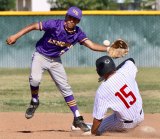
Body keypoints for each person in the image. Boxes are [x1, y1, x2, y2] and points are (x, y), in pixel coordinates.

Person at [6, 6, 111, 132]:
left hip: (55, 60)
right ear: (66, 16)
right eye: (70, 17)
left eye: (75, 19)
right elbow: (34, 26)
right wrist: (16, 36)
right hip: (40, 55)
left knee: (65, 88)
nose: (71, 20)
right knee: (35, 79)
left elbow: (92, 45)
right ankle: (34, 101)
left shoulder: (78, 33)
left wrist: (109, 49)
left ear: (78, 22)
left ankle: (77, 118)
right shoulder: (54, 24)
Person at [91, 56, 144, 135]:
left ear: (99, 71)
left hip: (126, 125)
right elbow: (130, 60)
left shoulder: (103, 89)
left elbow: (98, 119)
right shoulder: (125, 71)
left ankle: (123, 131)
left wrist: (93, 133)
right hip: (141, 116)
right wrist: (116, 69)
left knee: (98, 127)